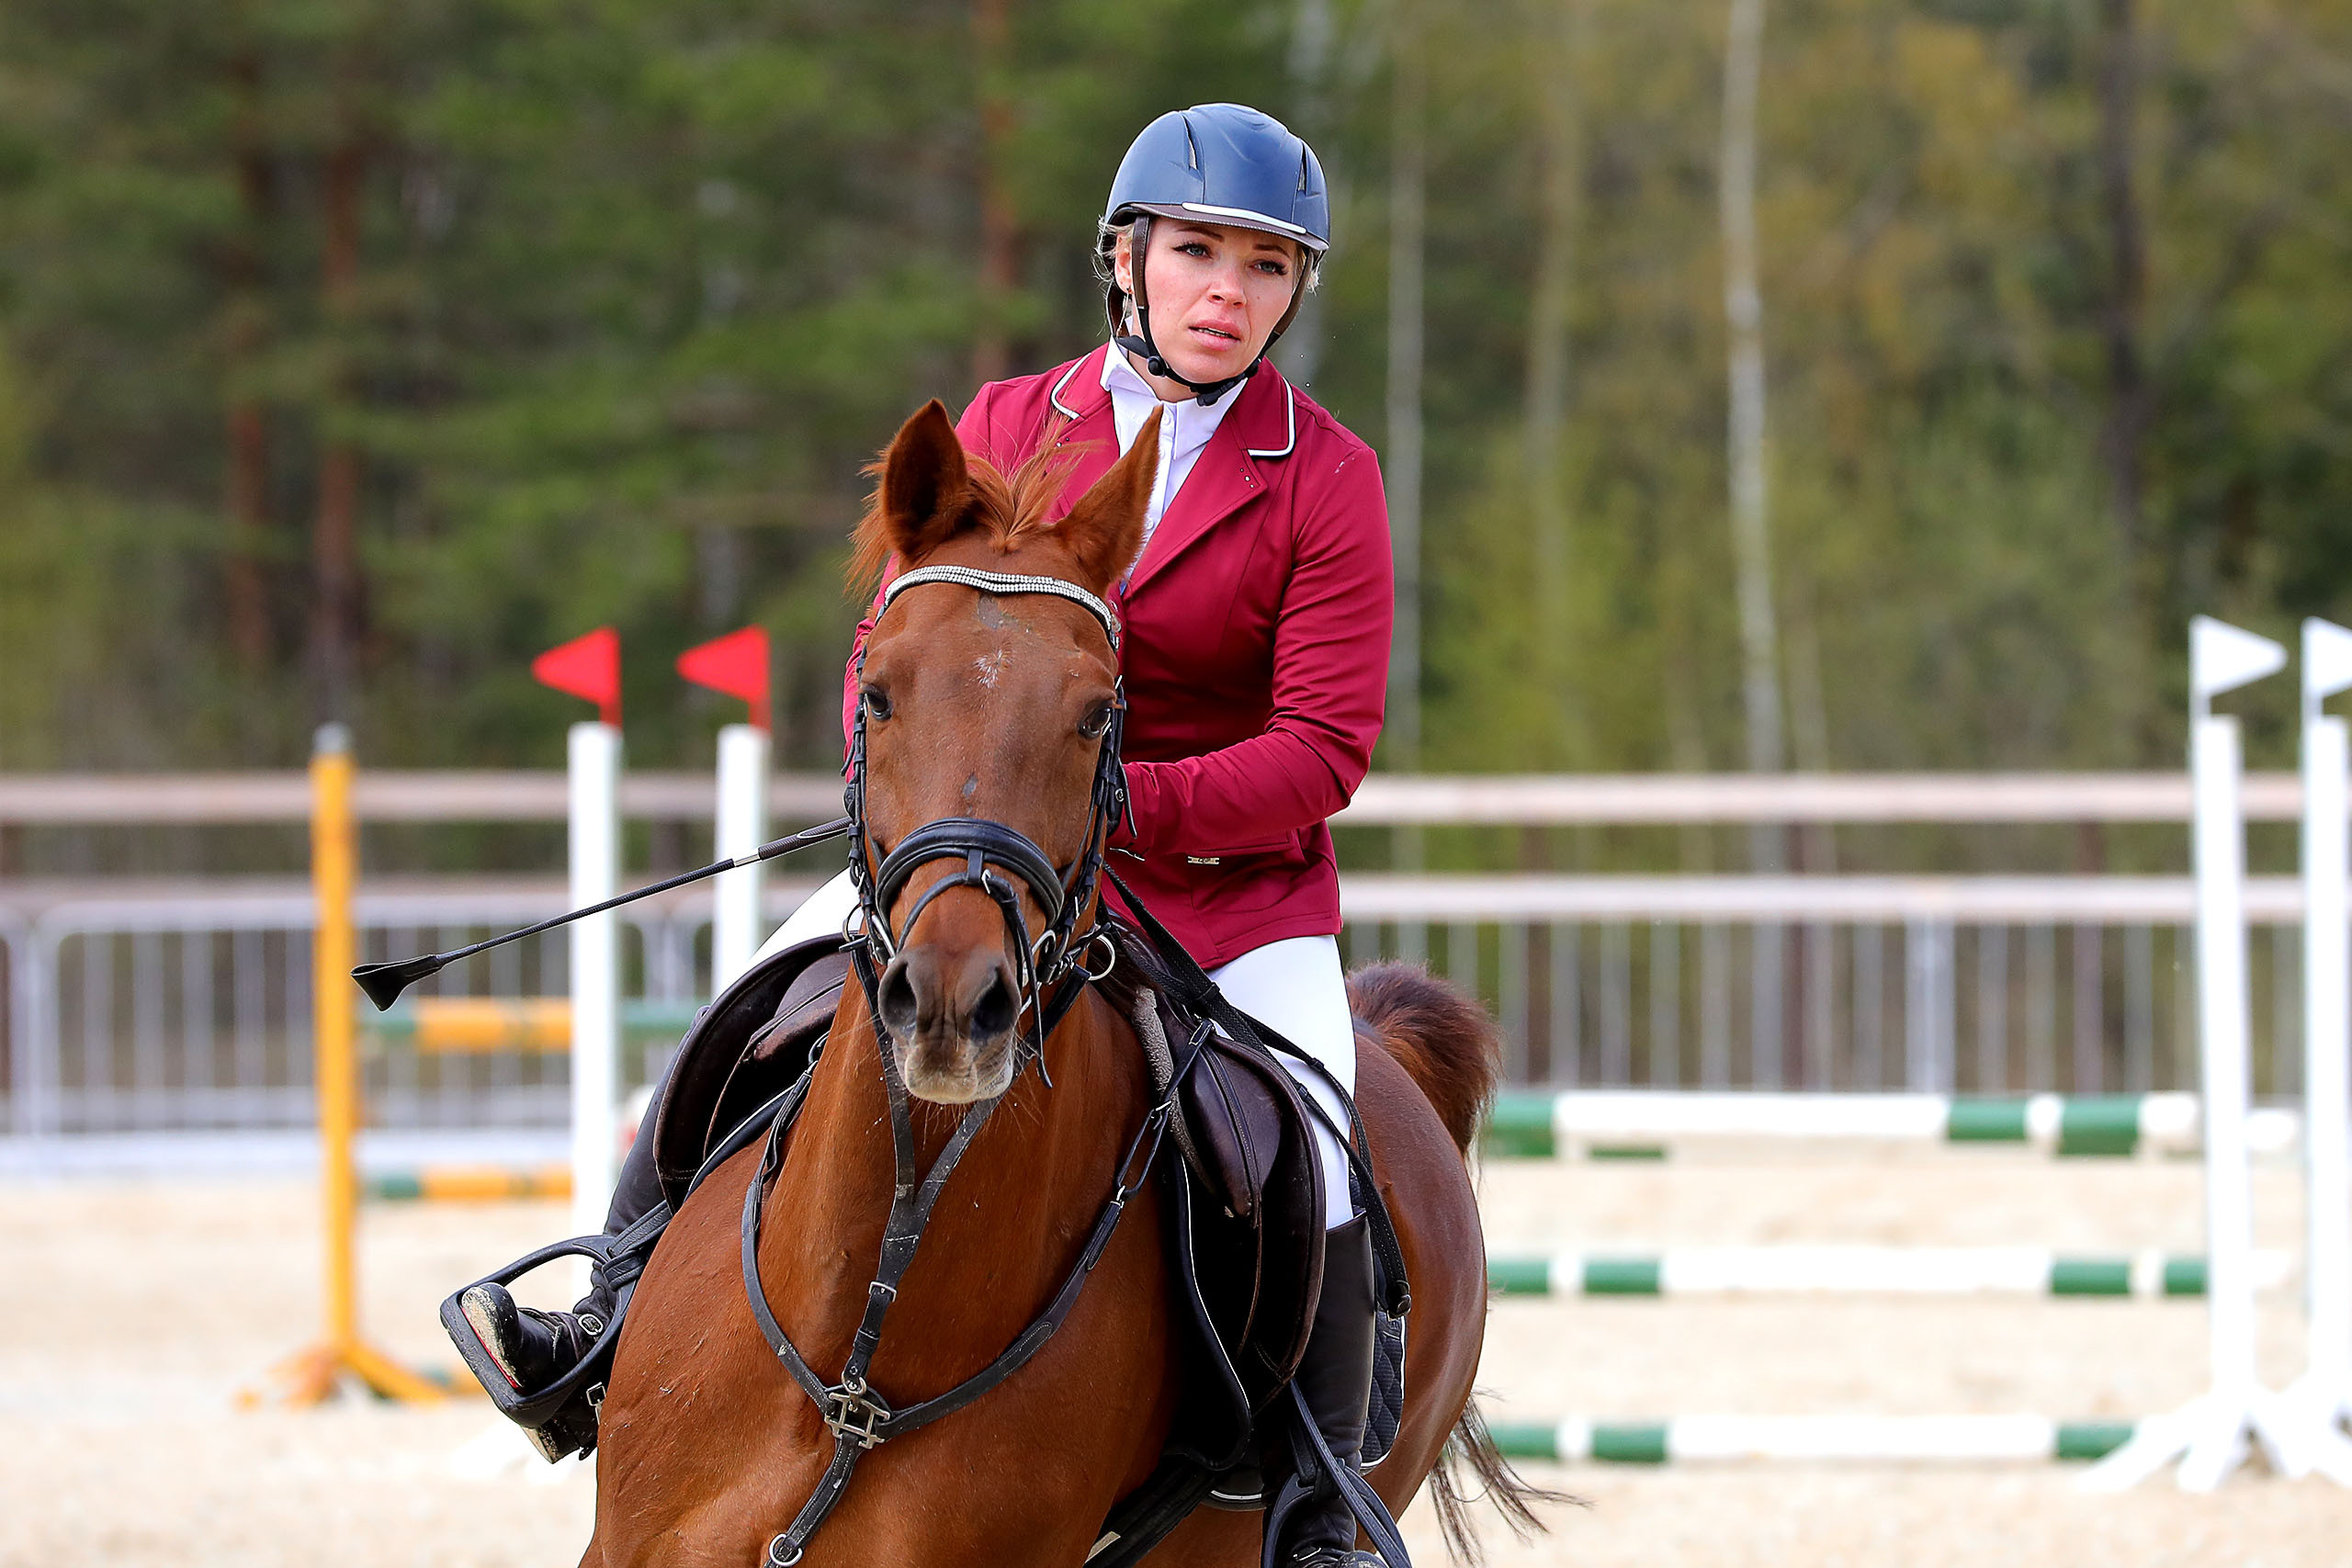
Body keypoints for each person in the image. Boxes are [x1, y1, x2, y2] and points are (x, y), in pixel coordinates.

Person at [457, 103, 1393, 1568]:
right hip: (966, 859)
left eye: (1268, 267)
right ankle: (601, 1319)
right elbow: (893, 648)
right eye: (1199, 251)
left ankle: (1317, 1495)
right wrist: (936, 816)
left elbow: (1321, 748)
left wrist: (1112, 806)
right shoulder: (1011, 426)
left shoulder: (1322, 475)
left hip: (1220, 895)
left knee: (1316, 1139)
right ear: (1127, 260)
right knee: (741, 1021)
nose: (1229, 292)